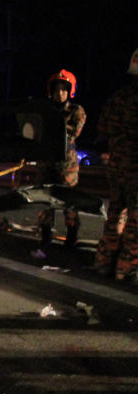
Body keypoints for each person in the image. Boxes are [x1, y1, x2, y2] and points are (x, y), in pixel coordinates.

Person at [94, 48, 138, 282]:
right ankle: (126, 268)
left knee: (115, 214)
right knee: (136, 220)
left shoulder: (118, 98)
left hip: (117, 166)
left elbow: (102, 133)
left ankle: (104, 262)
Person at [32, 69, 86, 259]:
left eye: (63, 89)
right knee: (44, 201)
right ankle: (46, 237)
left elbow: (74, 131)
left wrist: (53, 124)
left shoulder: (76, 111)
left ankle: (71, 238)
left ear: (69, 91)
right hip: (45, 163)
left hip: (66, 166)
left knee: (69, 203)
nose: (59, 93)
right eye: (56, 89)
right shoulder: (44, 110)